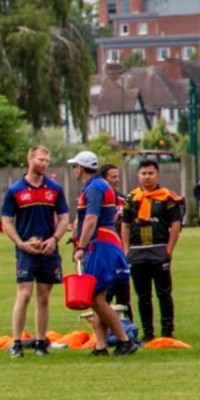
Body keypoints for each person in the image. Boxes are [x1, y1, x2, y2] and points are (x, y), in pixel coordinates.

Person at [1, 145, 70, 357]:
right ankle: (17, 342)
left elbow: (64, 218)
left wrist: (54, 240)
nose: (44, 164)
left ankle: (41, 342)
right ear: (29, 159)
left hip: (48, 250)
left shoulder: (55, 189)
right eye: (40, 159)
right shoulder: (15, 190)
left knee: (44, 296)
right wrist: (20, 244)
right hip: (25, 251)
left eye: (47, 161)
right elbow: (6, 222)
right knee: (24, 295)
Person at [66, 151, 136, 355]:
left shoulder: (95, 188)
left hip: (101, 245)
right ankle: (101, 345)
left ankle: (124, 340)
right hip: (105, 243)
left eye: (74, 167)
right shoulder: (98, 185)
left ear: (80, 168)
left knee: (96, 297)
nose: (74, 170)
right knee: (99, 297)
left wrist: (80, 247)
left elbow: (91, 219)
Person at [122, 157, 184, 341]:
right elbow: (125, 225)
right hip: (137, 251)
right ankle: (148, 333)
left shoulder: (167, 197)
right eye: (144, 173)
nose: (147, 177)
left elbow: (175, 224)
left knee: (164, 293)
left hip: (159, 250)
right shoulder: (131, 198)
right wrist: (126, 250)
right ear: (138, 176)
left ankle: (167, 332)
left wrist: (169, 249)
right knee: (143, 295)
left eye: (150, 173)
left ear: (157, 175)